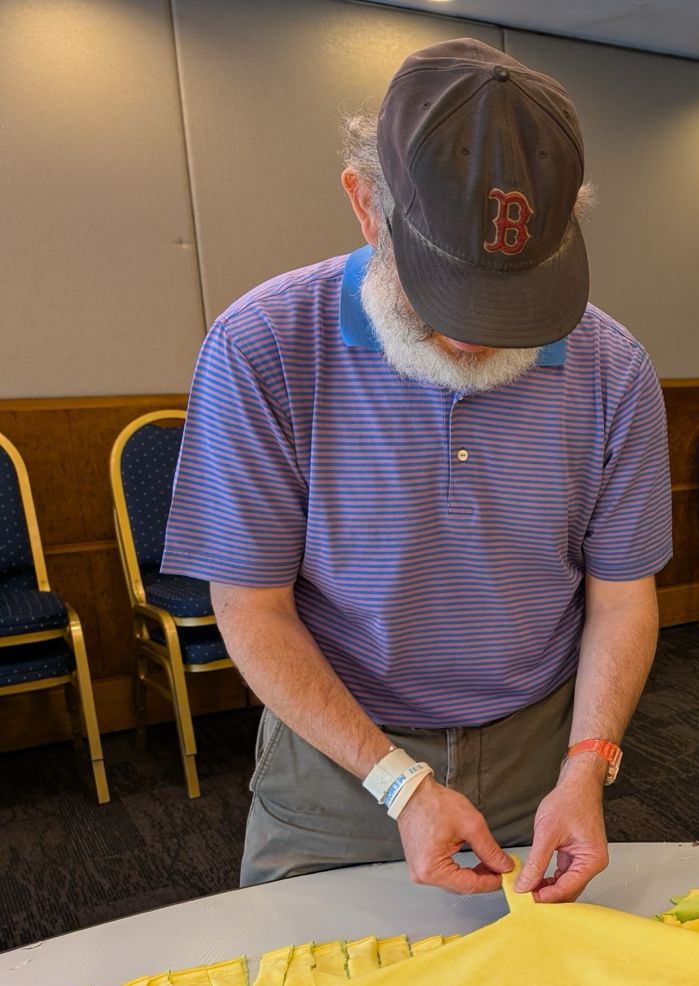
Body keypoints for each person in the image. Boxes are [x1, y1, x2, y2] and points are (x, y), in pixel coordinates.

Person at [162, 38, 671, 902]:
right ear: (367, 206)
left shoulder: (613, 368)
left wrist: (589, 764)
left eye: (510, 298)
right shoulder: (260, 348)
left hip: (538, 760)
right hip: (335, 762)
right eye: (444, 290)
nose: (475, 336)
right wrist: (396, 780)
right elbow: (250, 606)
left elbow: (621, 596)